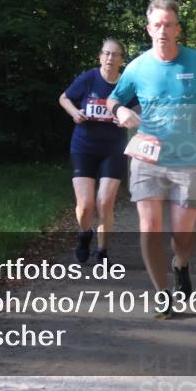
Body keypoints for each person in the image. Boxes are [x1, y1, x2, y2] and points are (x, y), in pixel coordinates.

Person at [107, 0, 196, 320]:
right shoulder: (138, 66)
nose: (163, 30)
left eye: (169, 24)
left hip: (188, 157)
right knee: (150, 227)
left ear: (177, 29)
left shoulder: (195, 61)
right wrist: (121, 109)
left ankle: (180, 264)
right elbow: (114, 97)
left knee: (181, 237)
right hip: (147, 157)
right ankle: (161, 293)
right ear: (148, 28)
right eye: (157, 25)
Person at [58, 39, 130, 264]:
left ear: (121, 60)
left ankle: (102, 251)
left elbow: (139, 110)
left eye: (115, 55)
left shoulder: (126, 84)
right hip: (84, 147)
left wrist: (127, 120)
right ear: (100, 56)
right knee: (86, 204)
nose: (110, 58)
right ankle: (84, 234)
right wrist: (74, 113)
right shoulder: (88, 78)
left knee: (105, 202)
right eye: (107, 54)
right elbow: (64, 98)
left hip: (114, 148)